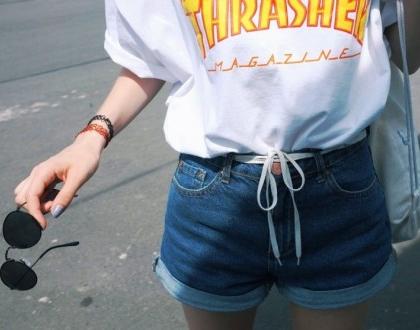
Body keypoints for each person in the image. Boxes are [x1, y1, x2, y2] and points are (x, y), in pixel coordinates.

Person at [13, 0, 419, 329]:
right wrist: (91, 137)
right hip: (212, 196)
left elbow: (407, 55)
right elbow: (150, 61)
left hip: (338, 193)